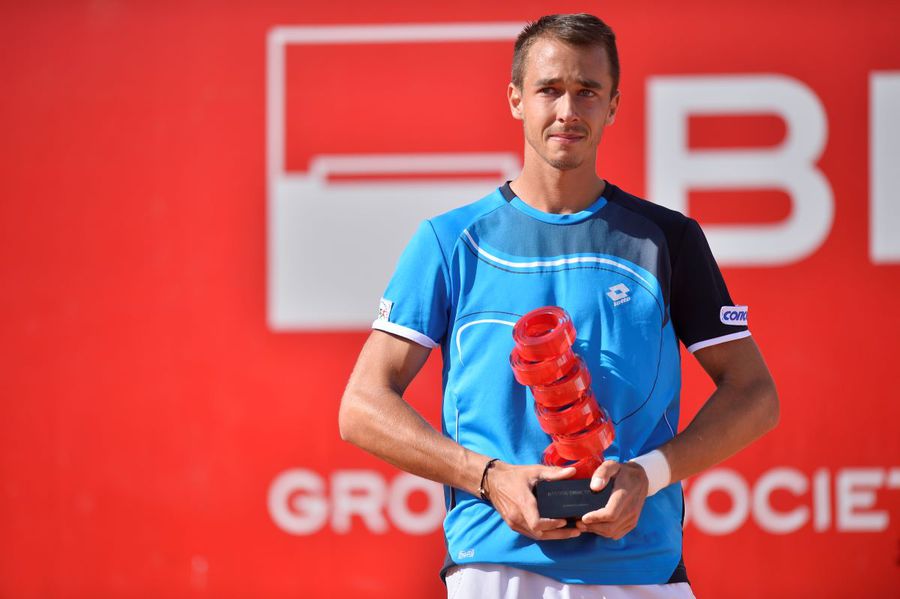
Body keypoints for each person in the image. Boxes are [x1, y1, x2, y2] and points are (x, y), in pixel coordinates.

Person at [339, 13, 778, 598]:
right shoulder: (450, 241)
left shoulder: (667, 239)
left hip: (643, 572)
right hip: (494, 571)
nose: (568, 110)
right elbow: (361, 407)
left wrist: (647, 477)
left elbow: (755, 395)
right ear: (516, 99)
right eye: (550, 89)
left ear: (614, 105)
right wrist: (489, 478)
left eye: (587, 91)